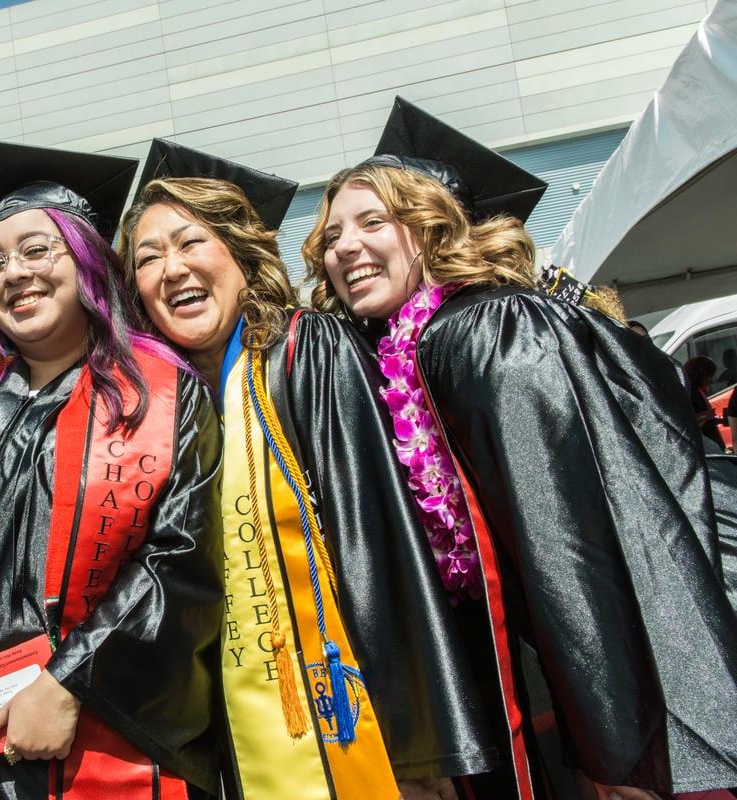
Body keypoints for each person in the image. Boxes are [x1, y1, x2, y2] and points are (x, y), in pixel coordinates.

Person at [302, 97, 737, 799]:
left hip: (622, 675)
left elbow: (573, 541)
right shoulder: (407, 347)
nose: (343, 245)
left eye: (372, 221)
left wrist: (619, 752)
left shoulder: (485, 330)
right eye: (331, 234)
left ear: (432, 227)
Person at [117, 139, 498, 800]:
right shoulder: (160, 411)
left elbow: (377, 543)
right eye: (148, 259)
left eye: (190, 243)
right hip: (238, 737)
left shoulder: (305, 351)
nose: (170, 268)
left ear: (240, 256)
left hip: (357, 725)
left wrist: (414, 746)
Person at [0, 140, 223, 800]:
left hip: (104, 743)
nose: (13, 274)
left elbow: (182, 564)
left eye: (35, 250)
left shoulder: (160, 396)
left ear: (84, 262)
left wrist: (68, 685)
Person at [685, 355, 725, 448]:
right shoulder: (694, 395)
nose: (711, 381)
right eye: (710, 376)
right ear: (703, 375)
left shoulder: (692, 391)